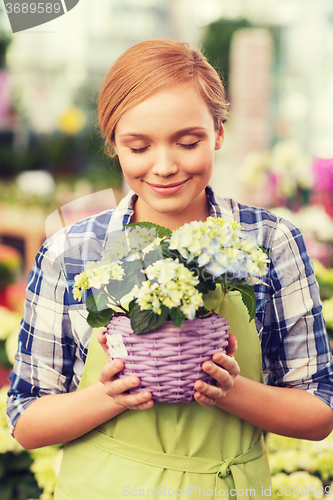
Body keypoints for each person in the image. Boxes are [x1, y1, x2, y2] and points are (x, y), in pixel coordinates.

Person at [6, 39, 333, 499]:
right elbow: (26, 419)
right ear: (114, 144)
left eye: (188, 141)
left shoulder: (270, 242)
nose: (164, 166)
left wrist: (231, 390)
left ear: (219, 132)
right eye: (138, 146)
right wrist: (109, 396)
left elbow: (319, 411)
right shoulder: (72, 250)